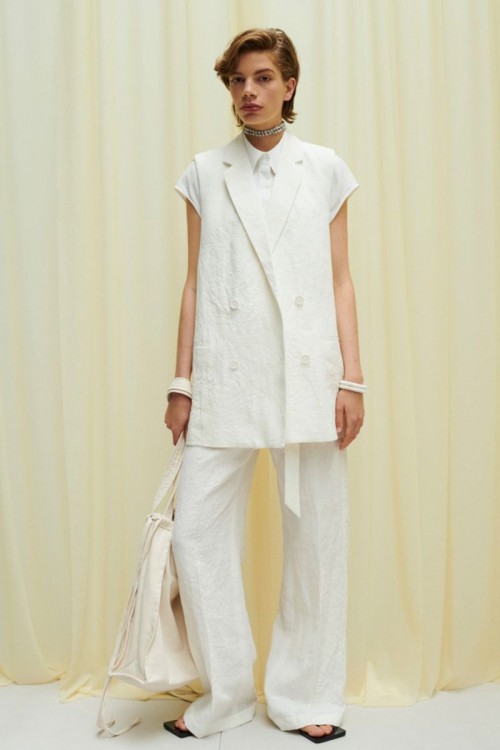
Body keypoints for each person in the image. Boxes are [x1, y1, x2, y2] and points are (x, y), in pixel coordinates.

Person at [163, 28, 365, 743]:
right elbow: (194, 282)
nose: (247, 92)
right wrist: (182, 381)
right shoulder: (204, 171)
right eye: (237, 81)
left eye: (262, 78)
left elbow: (340, 280)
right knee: (195, 534)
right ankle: (226, 694)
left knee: (317, 540)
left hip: (309, 373)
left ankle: (307, 696)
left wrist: (353, 379)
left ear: (289, 84)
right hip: (226, 370)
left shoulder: (326, 169)